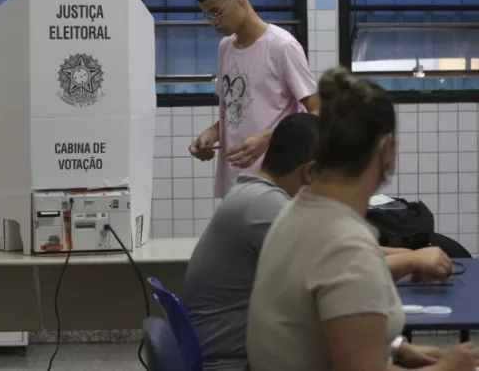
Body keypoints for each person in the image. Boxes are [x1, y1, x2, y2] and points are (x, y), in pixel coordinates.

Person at [183, 112, 456, 371]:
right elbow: (344, 272)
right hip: (232, 362)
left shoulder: (255, 195)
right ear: (309, 173)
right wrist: (412, 260)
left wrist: (396, 345)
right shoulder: (263, 206)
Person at [247, 67, 478, 371]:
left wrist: (395, 349)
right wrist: (448, 368)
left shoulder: (296, 212)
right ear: (386, 148)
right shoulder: (346, 245)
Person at [188, 0, 319, 198]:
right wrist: (212, 133)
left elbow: (318, 113)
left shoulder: (282, 46)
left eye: (217, 12)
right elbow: (235, 112)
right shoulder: (225, 48)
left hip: (276, 184)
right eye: (208, 15)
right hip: (234, 183)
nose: (213, 22)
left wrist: (269, 138)